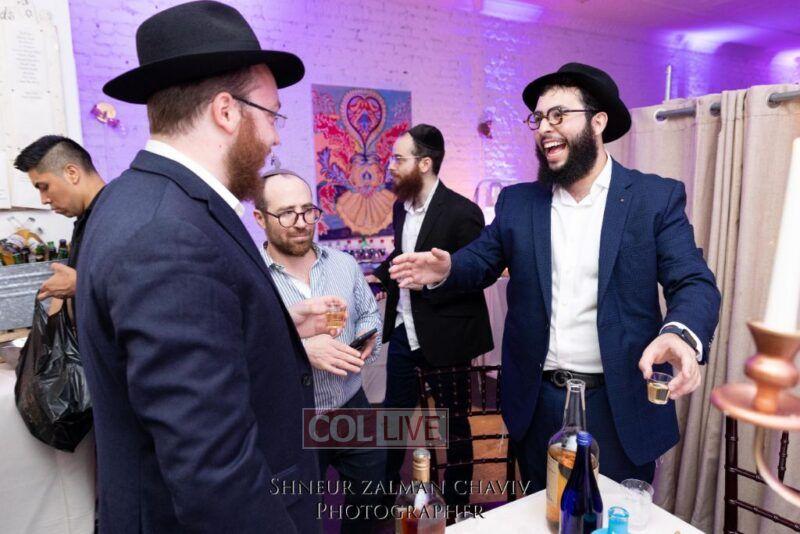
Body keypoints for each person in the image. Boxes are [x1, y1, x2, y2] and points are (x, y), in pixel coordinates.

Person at [388, 63, 721, 491]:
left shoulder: (653, 198)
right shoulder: (518, 203)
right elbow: (482, 259)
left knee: (611, 515)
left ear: (598, 122)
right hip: (539, 402)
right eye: (539, 118)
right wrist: (449, 267)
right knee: (541, 512)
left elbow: (692, 280)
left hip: (618, 403)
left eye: (559, 115)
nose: (545, 127)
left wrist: (680, 333)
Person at [76, 2, 336, 532]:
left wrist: (276, 326)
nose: (276, 137)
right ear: (226, 111)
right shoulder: (167, 234)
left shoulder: (139, 199)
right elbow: (214, 473)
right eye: (272, 115)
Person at [255, 168, 385, 533]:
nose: (301, 223)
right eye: (286, 214)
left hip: (351, 404)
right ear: (260, 218)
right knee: (300, 511)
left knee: (371, 499)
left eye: (307, 211)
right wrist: (301, 350)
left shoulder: (343, 264)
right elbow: (244, 349)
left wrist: (368, 337)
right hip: (291, 417)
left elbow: (369, 313)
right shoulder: (253, 279)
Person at [369, 124, 493, 506]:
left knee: (453, 426)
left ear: (424, 163)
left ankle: (456, 504)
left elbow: (479, 274)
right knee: (394, 419)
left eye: (398, 159)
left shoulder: (463, 212)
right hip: (404, 331)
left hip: (447, 337)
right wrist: (378, 276)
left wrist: (435, 281)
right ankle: (384, 498)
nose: (390, 166)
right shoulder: (400, 207)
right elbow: (403, 253)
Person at [13, 135, 105, 300]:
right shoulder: (86, 219)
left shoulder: (120, 216)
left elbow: (143, 282)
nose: (44, 200)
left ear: (72, 173)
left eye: (44, 187)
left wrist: (80, 285)